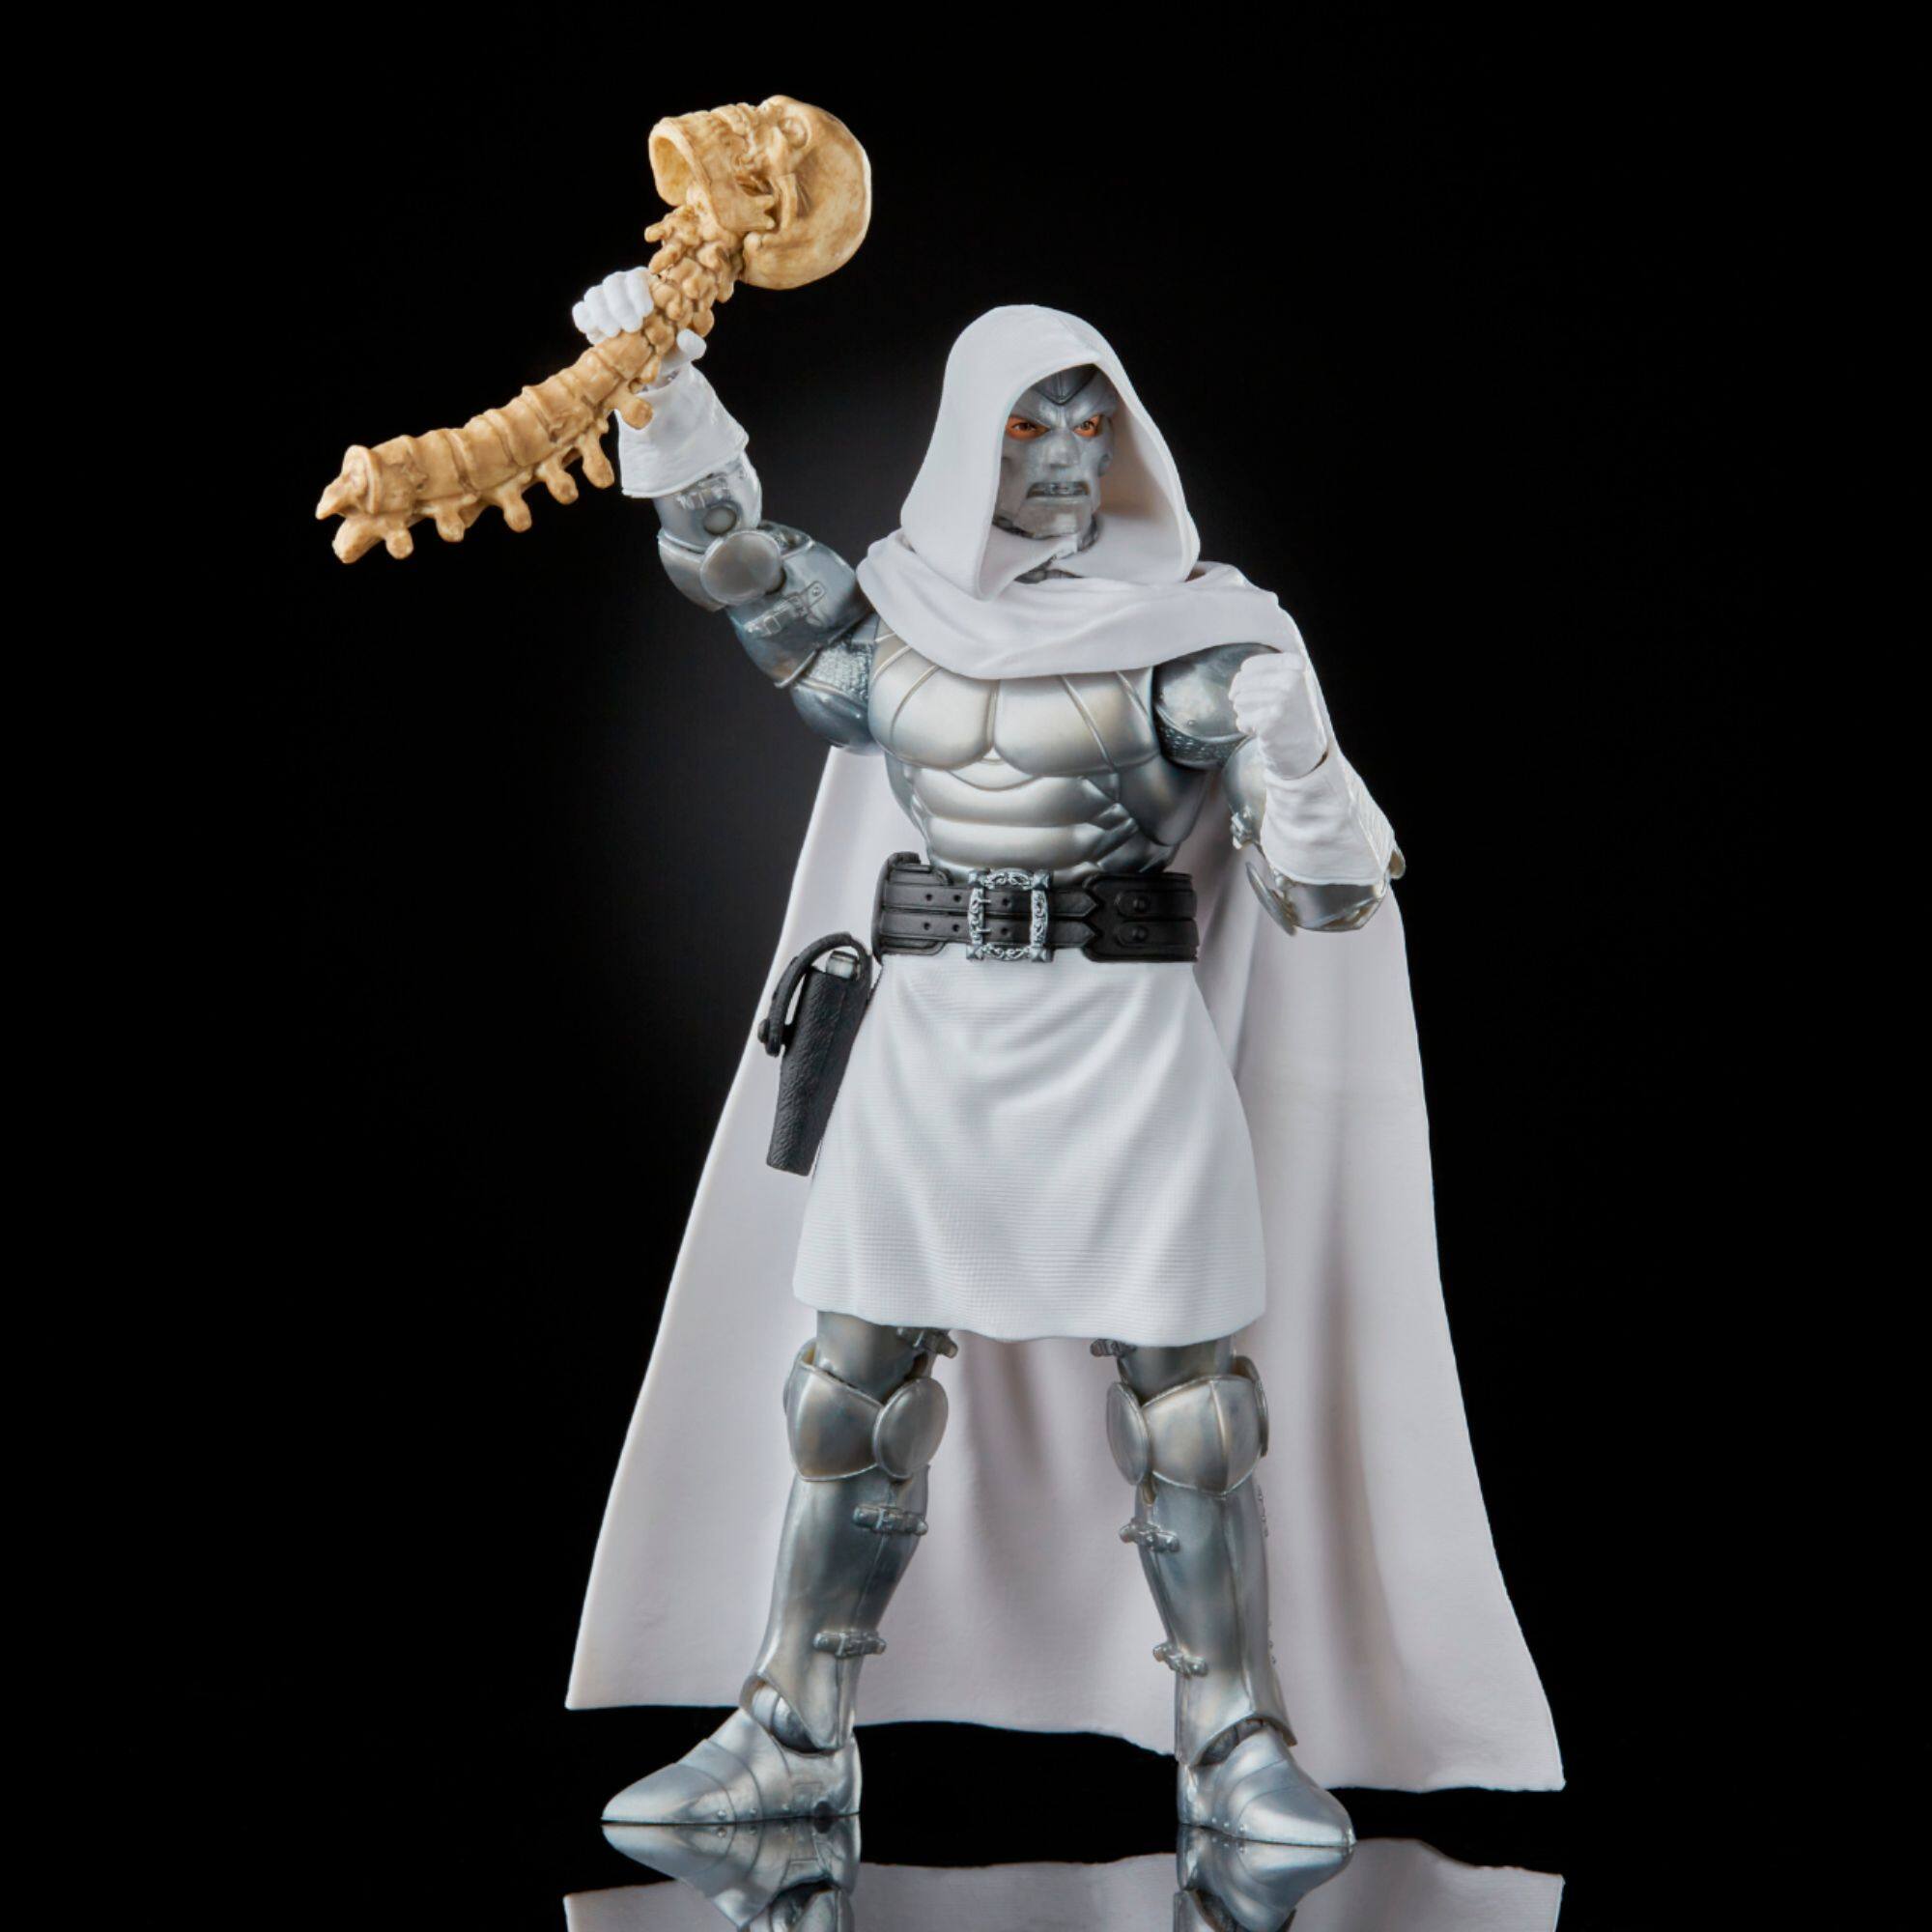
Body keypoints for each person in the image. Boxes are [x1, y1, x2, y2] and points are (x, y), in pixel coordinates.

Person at [563, 282, 1560, 1843]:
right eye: (1032, 422)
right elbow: (736, 564)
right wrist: (661, 390)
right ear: (975, 437)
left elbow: (1324, 901)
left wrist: (1299, 754)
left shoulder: (1205, 649)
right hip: (930, 1047)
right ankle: (792, 1731)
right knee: (848, 1392)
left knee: (1193, 1412)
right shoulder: (898, 625)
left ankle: (1233, 1742)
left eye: (1092, 424)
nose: (1063, 454)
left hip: (1128, 1053)